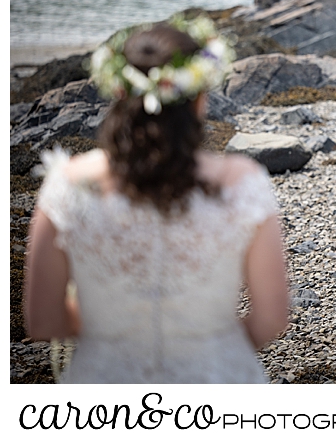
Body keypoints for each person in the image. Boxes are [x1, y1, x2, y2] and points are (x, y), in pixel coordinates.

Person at [24, 19, 289, 383]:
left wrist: (114, 330)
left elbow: (43, 320)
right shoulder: (242, 182)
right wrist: (213, 346)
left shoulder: (68, 184)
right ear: (199, 98)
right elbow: (271, 320)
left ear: (118, 94)